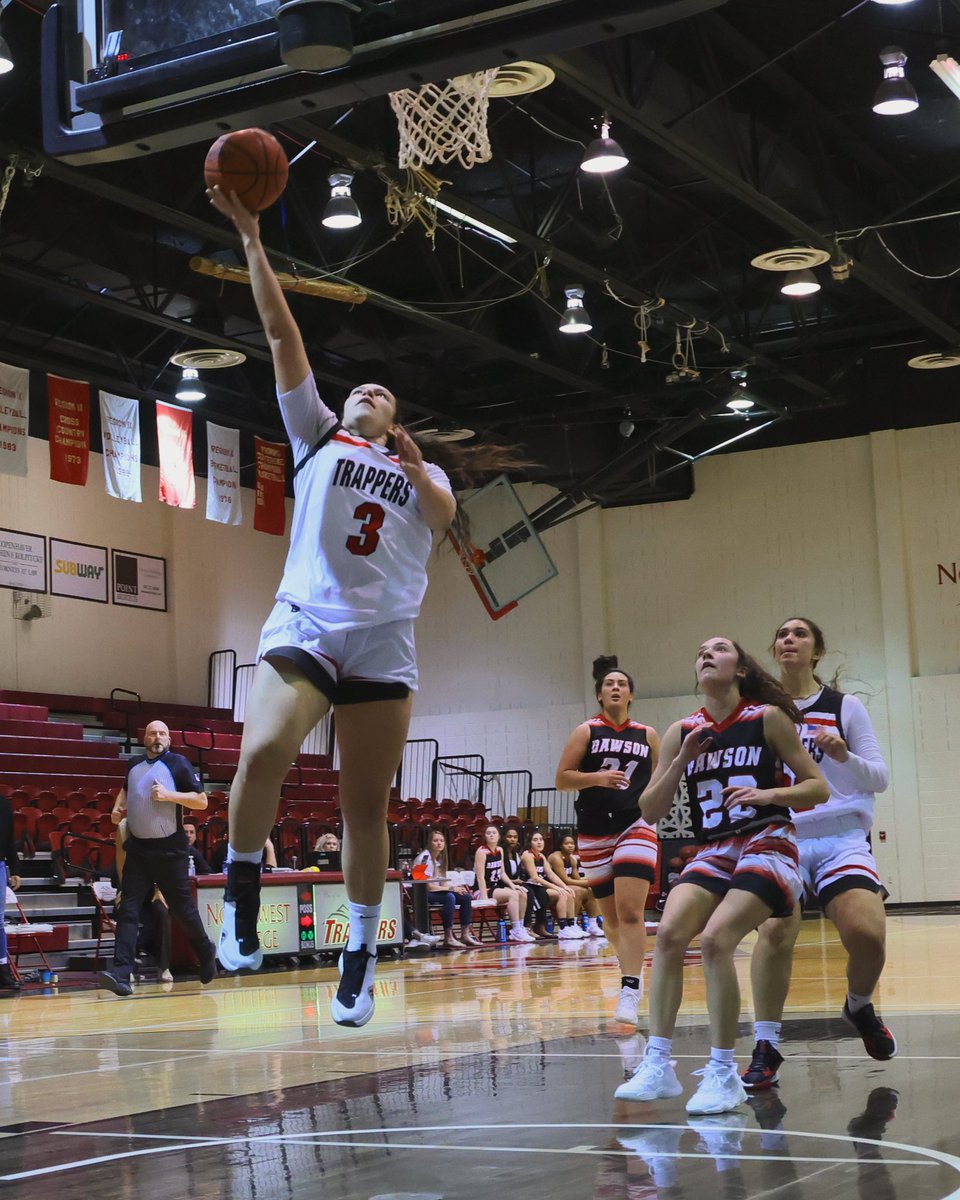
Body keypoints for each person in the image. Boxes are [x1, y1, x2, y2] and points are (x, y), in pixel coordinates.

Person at [207, 184, 524, 1028]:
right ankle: (241, 886)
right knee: (266, 747)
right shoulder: (314, 435)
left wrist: (417, 461)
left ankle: (358, 950)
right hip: (307, 624)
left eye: (383, 393)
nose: (367, 390)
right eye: (362, 388)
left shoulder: (427, 480)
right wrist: (250, 239)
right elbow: (281, 332)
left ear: (394, 422)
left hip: (382, 648)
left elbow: (448, 517)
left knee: (365, 809)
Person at [615, 636, 828, 1114]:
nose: (705, 654)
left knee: (715, 939)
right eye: (700, 652)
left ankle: (722, 1071)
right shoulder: (681, 731)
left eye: (718, 649)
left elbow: (818, 788)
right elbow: (649, 810)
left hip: (768, 837)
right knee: (668, 934)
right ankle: (659, 1066)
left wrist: (768, 796)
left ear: (741, 669)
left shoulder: (766, 718)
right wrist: (681, 761)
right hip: (715, 846)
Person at [742, 616, 895, 1089]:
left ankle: (858, 1004)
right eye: (782, 635)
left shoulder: (843, 707)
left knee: (867, 934)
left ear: (817, 651)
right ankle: (766, 1043)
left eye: (800, 634)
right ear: (774, 650)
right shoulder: (758, 711)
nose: (789, 639)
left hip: (840, 838)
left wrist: (845, 756)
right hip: (781, 835)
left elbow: (881, 779)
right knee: (774, 934)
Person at [556, 654, 657, 1022]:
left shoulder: (648, 735)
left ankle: (629, 986)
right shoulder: (586, 731)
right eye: (609, 684)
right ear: (600, 694)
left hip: (636, 825)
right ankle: (628, 961)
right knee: (611, 920)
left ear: (630, 695)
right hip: (594, 828)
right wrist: (595, 778)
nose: (615, 688)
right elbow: (562, 778)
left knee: (631, 912)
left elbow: (660, 781)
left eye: (622, 684)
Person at [99, 721, 217, 997]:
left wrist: (169, 795)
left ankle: (205, 949)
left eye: (162, 733)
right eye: (152, 732)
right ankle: (121, 973)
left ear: (169, 738)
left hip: (170, 851)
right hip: (138, 850)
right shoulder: (133, 764)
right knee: (128, 909)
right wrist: (117, 808)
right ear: (144, 737)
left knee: (181, 909)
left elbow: (201, 801)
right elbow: (125, 791)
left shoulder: (178, 764)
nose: (157, 737)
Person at [414, 828, 482, 947]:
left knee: (465, 896)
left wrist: (454, 888)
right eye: (435, 840)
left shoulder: (440, 859)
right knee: (449, 897)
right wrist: (451, 889)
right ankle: (448, 937)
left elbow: (443, 884)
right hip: (420, 894)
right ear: (429, 843)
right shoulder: (424, 859)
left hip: (434, 891)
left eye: (441, 840)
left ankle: (465, 935)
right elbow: (426, 887)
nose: (439, 843)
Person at [473, 824, 533, 942]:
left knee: (522, 893)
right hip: (481, 890)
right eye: (488, 833)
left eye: (494, 833)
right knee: (513, 895)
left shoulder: (500, 850)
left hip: (495, 888)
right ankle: (515, 929)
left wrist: (513, 885)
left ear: (499, 836)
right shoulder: (481, 852)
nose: (491, 835)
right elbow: (480, 878)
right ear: (485, 836)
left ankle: (520, 928)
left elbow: (502, 873)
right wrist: (484, 898)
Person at [520, 830, 580, 938]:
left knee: (568, 893)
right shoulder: (527, 855)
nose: (539, 842)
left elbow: (551, 875)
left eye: (541, 839)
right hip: (528, 887)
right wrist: (555, 887)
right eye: (535, 840)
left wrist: (564, 887)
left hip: (539, 888)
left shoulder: (541, 856)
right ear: (530, 843)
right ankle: (561, 928)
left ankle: (571, 926)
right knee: (560, 893)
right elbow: (534, 877)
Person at [548, 833, 604, 937]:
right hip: (555, 886)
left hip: (566, 885)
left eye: (572, 843)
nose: (570, 846)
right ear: (560, 845)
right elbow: (566, 881)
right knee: (577, 890)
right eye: (567, 843)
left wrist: (590, 882)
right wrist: (589, 882)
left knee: (591, 890)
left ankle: (593, 924)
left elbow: (576, 878)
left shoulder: (572, 859)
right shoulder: (556, 857)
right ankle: (571, 923)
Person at [502, 824, 541, 937]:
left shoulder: (515, 854)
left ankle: (526, 926)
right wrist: (513, 882)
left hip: (514, 883)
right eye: (509, 836)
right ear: (504, 837)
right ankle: (523, 926)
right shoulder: (501, 852)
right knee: (527, 891)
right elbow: (501, 875)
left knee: (532, 889)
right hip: (503, 884)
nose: (512, 839)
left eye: (515, 837)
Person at [0, 792, 22, 992]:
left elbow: (9, 839)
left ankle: (3, 971)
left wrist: (14, 869)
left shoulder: (3, 805)